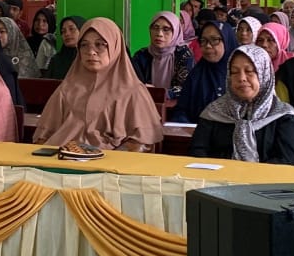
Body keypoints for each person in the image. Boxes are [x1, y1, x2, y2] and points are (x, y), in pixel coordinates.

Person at [33, 18, 163, 152]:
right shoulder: (67, 88)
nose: (91, 52)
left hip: (107, 165)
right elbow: (43, 136)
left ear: (115, 47)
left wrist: (104, 161)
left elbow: (140, 143)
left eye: (100, 44)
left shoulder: (132, 92)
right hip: (61, 159)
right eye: (84, 45)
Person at [189, 45, 294, 165]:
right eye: (234, 72)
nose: (241, 78)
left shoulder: (283, 115)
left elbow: (287, 161)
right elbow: (197, 153)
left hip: (268, 182)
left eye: (249, 71)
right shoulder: (215, 112)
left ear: (264, 74)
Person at [171, 21, 238, 124]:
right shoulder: (196, 75)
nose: (208, 46)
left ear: (227, 41)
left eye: (214, 40)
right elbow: (182, 109)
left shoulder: (240, 75)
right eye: (203, 40)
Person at [131, 11, 194, 102]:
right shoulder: (141, 55)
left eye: (166, 29)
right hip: (145, 105)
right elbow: (133, 84)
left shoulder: (183, 55)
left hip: (176, 108)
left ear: (175, 32)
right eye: (155, 28)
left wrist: (160, 93)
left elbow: (186, 88)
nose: (159, 34)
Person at [45, 15, 84, 80]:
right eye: (63, 31)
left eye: (71, 29)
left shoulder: (89, 58)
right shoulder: (56, 60)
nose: (67, 34)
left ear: (82, 30)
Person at [27, 9, 56, 75]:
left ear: (51, 23)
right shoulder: (27, 42)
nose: (40, 24)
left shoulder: (53, 43)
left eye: (45, 21)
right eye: (37, 20)